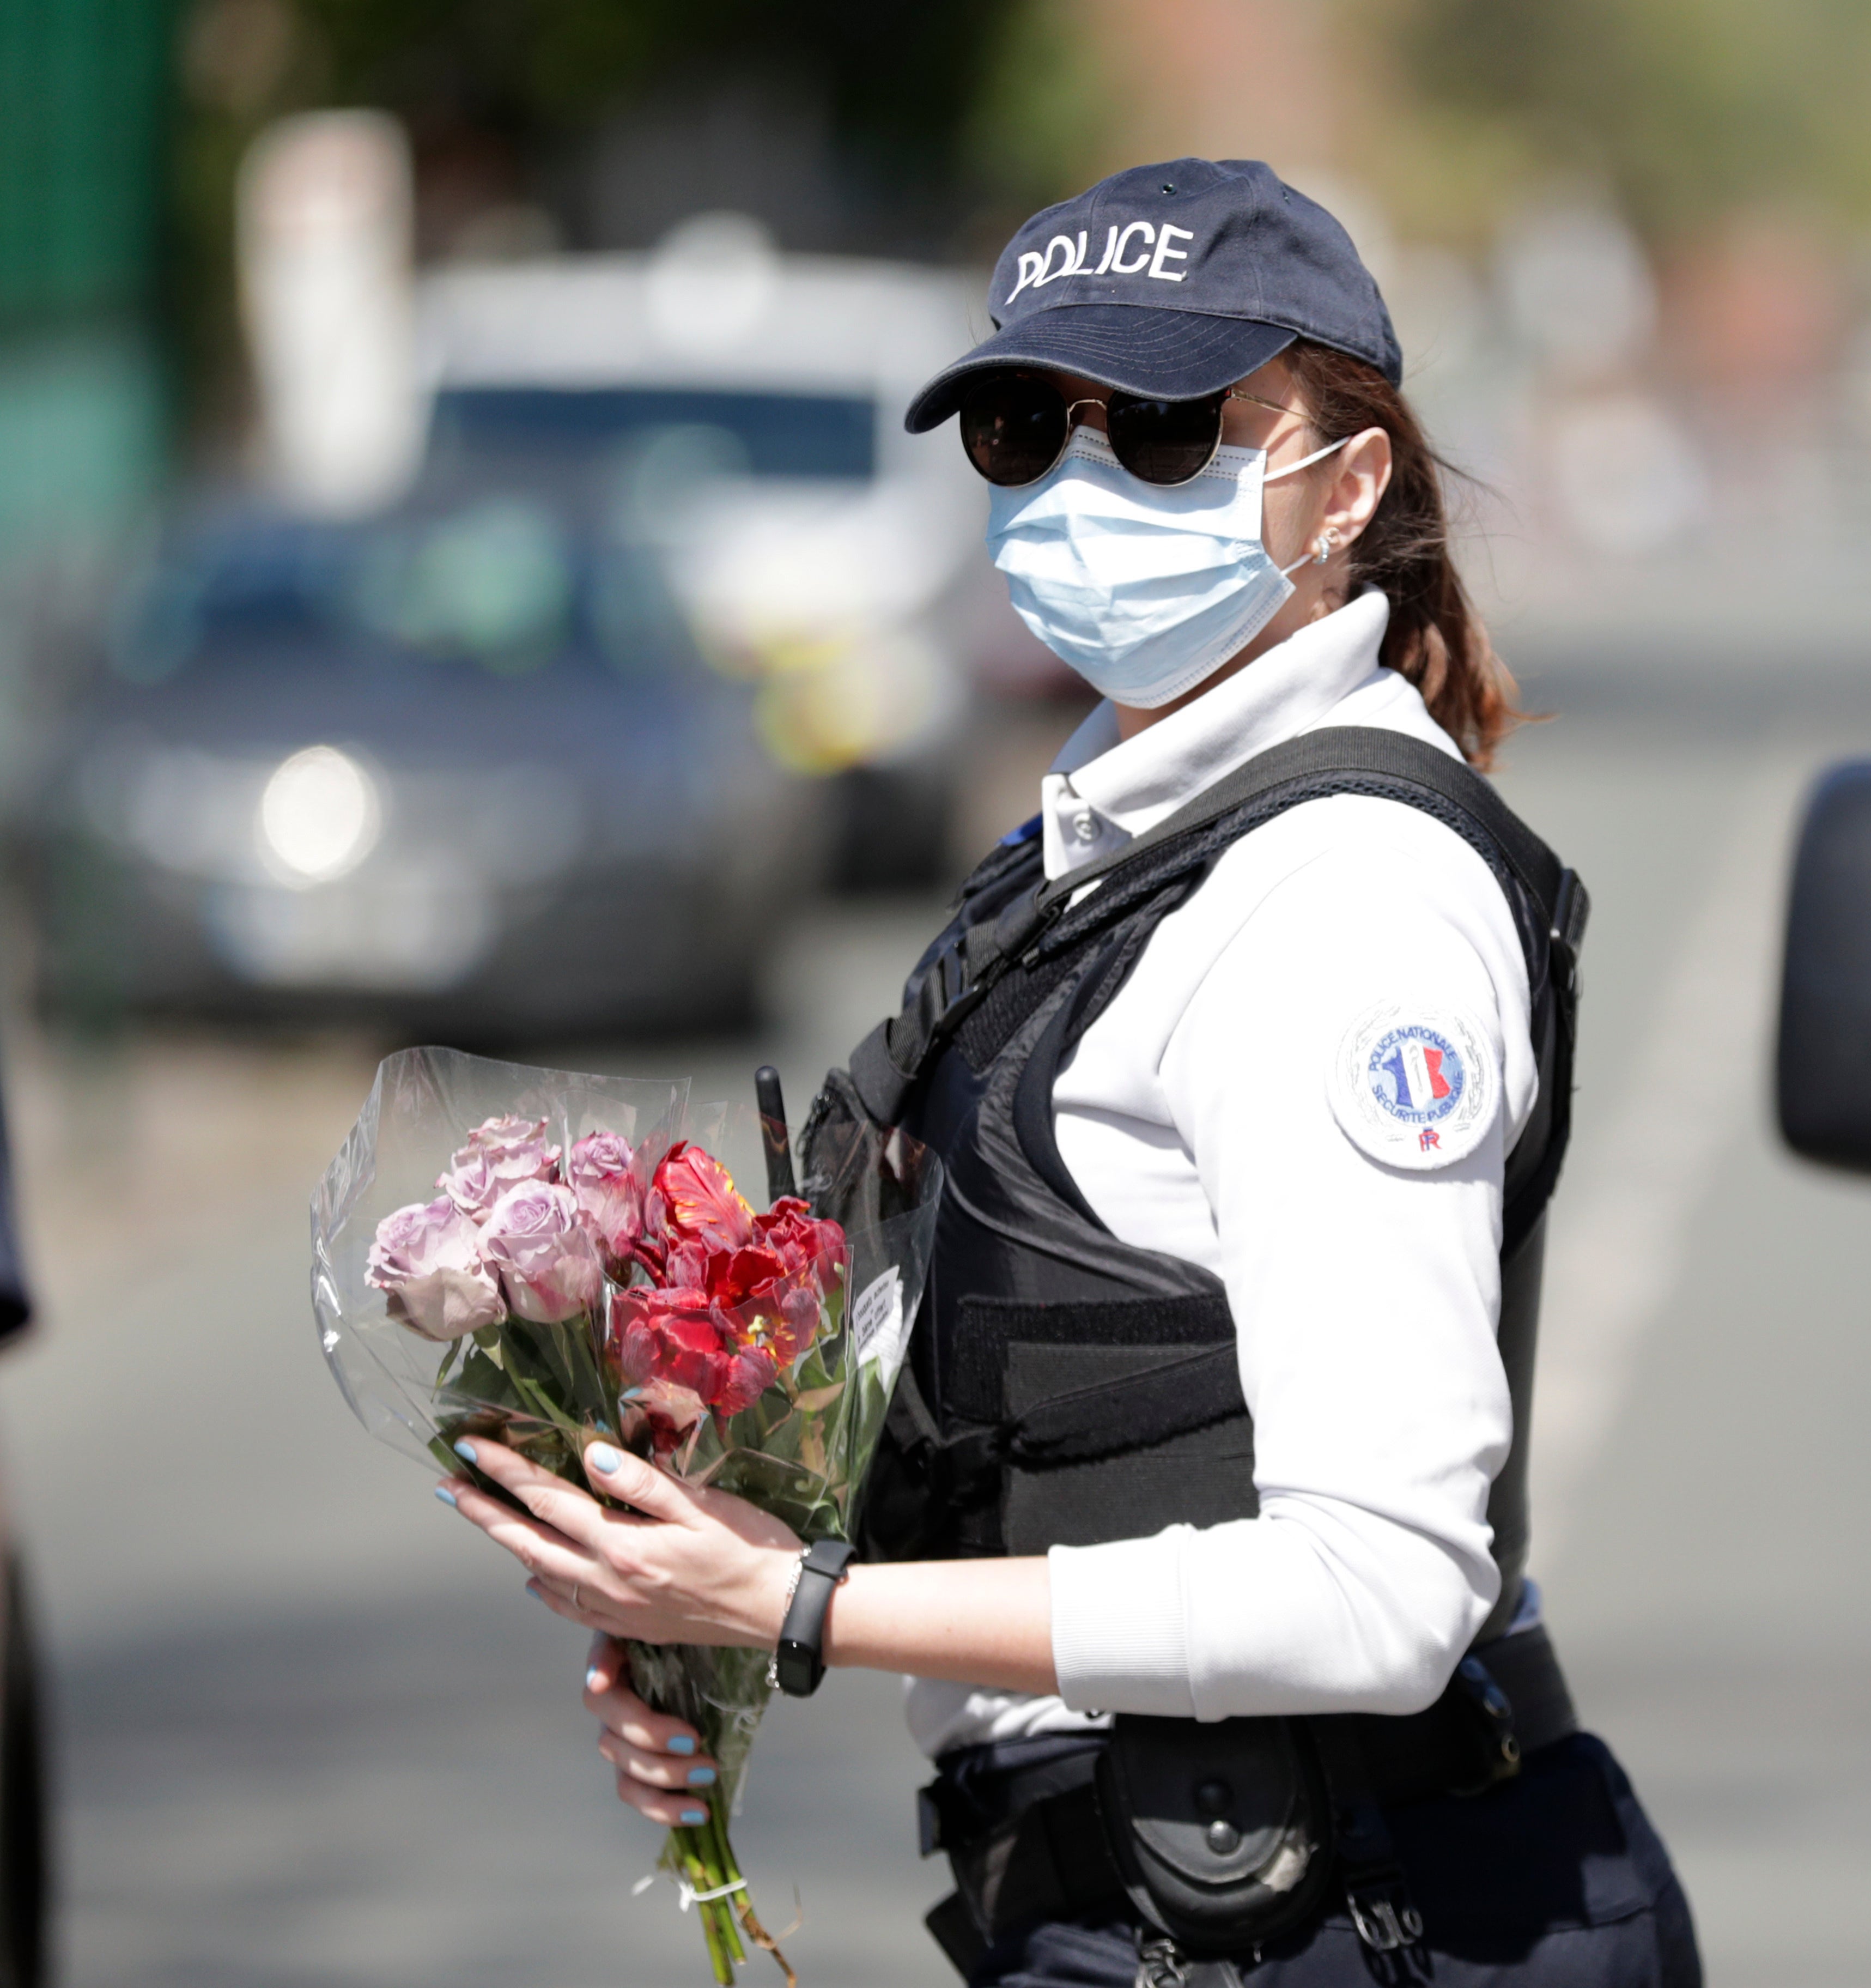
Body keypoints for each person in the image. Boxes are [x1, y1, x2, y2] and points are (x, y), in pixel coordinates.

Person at [438, 157, 1703, 1988]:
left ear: (1347, 487)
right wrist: (703, 1595)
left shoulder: (1340, 905)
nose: (1087, 484)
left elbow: (1383, 1587)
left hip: (1351, 1912)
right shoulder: (1110, 844)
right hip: (1174, 1901)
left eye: (1176, 428)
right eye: (1032, 424)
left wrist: (798, 1608)